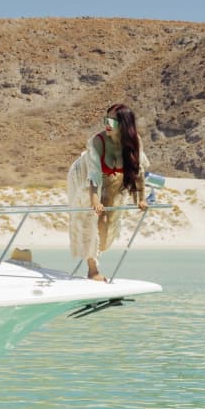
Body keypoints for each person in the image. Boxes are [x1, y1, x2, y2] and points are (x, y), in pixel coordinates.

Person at [67, 103, 150, 281]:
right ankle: (92, 270)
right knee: (93, 218)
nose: (107, 124)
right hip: (84, 178)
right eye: (106, 119)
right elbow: (93, 176)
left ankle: (96, 253)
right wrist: (95, 201)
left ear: (124, 125)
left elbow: (138, 171)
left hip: (112, 181)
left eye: (112, 121)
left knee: (107, 227)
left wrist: (141, 199)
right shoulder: (97, 142)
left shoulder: (134, 141)